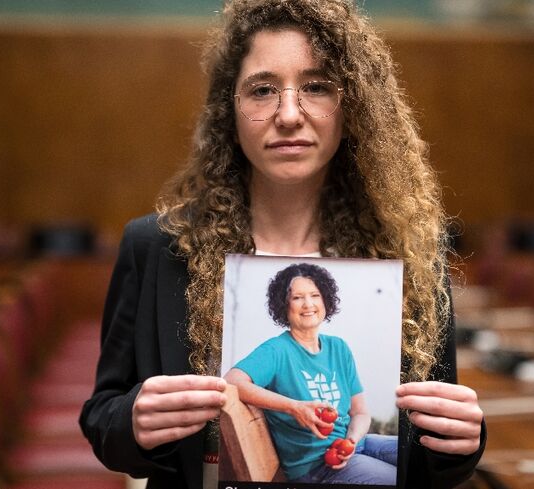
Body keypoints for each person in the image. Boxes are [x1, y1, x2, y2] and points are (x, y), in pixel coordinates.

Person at [79, 0, 486, 488]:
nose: (288, 114)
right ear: (230, 108)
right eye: (262, 90)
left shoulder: (408, 251)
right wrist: (134, 422)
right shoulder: (157, 248)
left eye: (316, 87)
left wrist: (462, 442)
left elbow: (428, 461)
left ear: (353, 104)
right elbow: (103, 421)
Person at [224, 262, 398, 484]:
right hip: (316, 467)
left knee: (416, 453)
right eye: (297, 297)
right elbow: (232, 381)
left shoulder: (339, 348)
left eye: (315, 295)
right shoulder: (277, 350)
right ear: (284, 305)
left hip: (356, 445)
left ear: (325, 299)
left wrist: (351, 441)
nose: (308, 304)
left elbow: (361, 413)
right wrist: (295, 407)